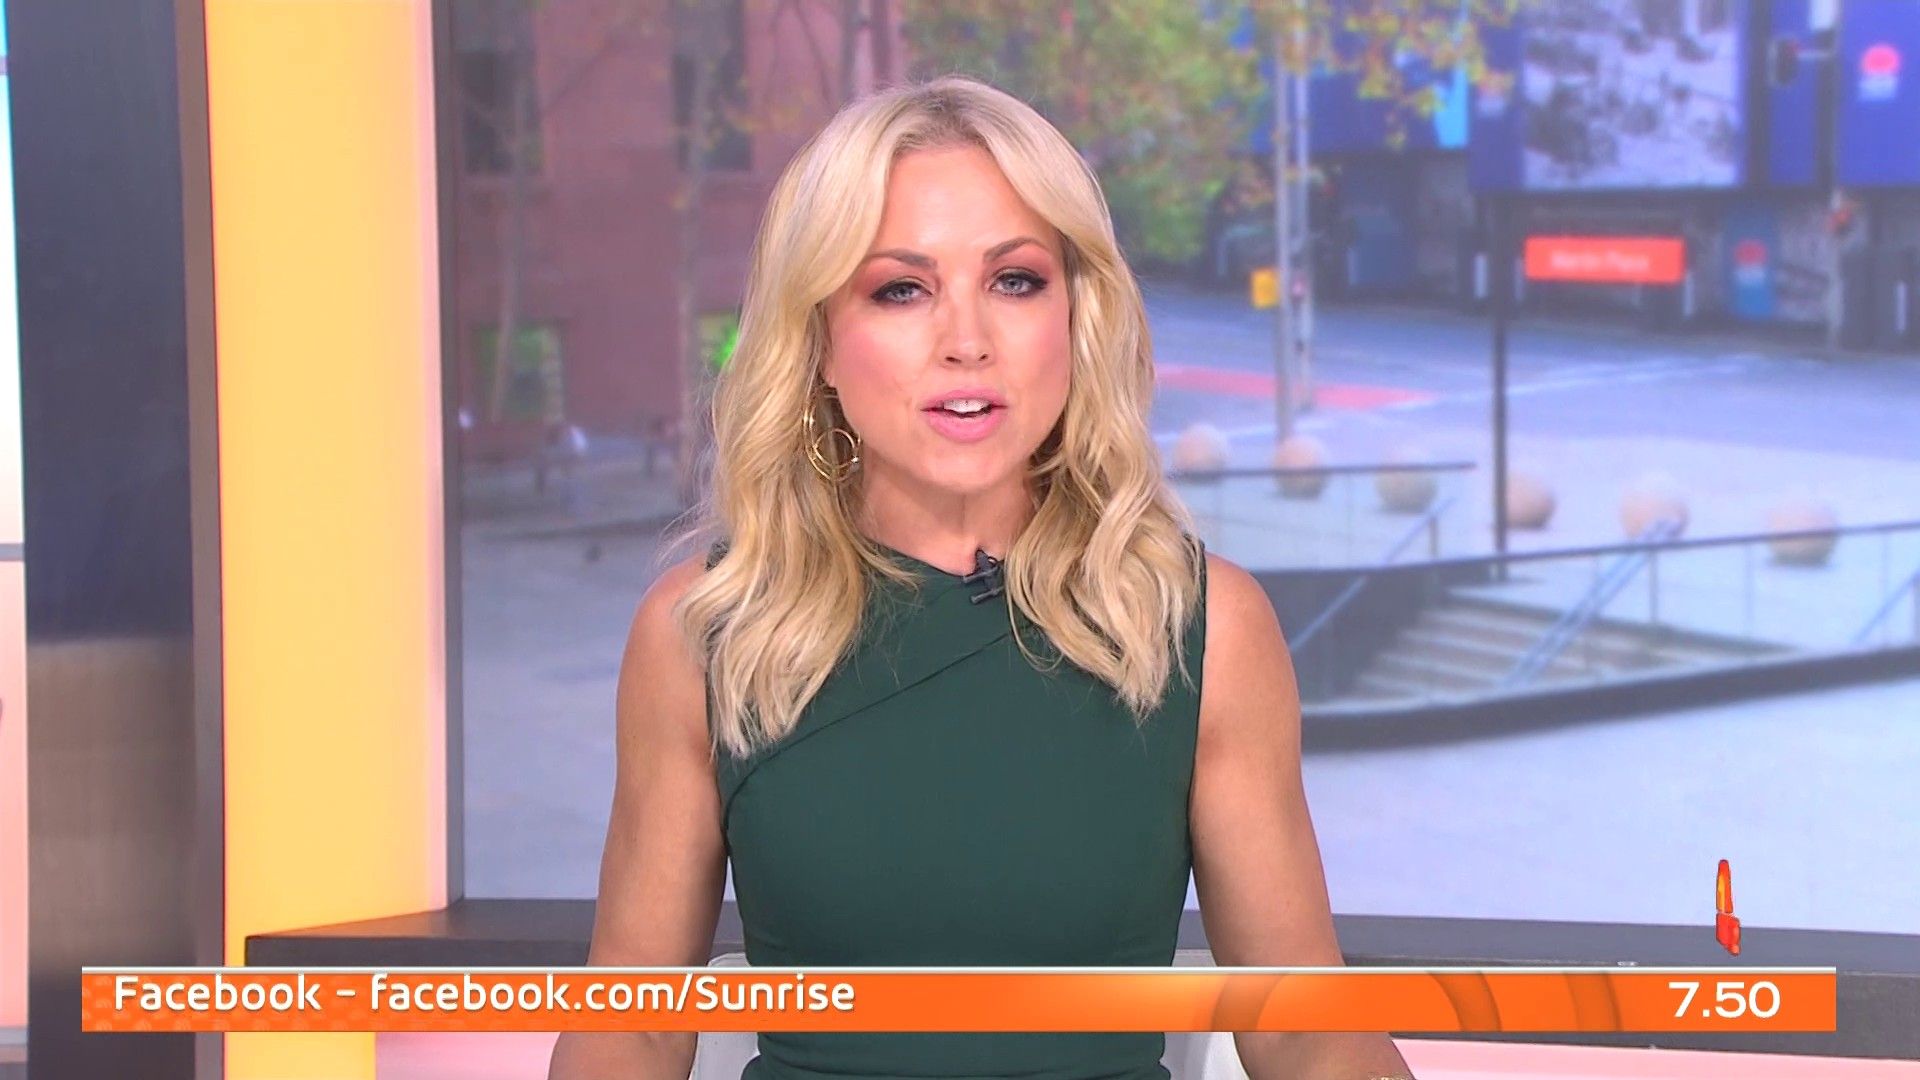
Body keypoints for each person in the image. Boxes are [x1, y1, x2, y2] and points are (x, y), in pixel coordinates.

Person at [548, 76, 1413, 1080]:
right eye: (901, 289)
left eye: (1014, 281)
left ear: (1075, 317)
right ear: (819, 339)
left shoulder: (1205, 628)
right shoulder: (701, 637)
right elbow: (633, 1026)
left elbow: (1306, 1029)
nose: (967, 342)